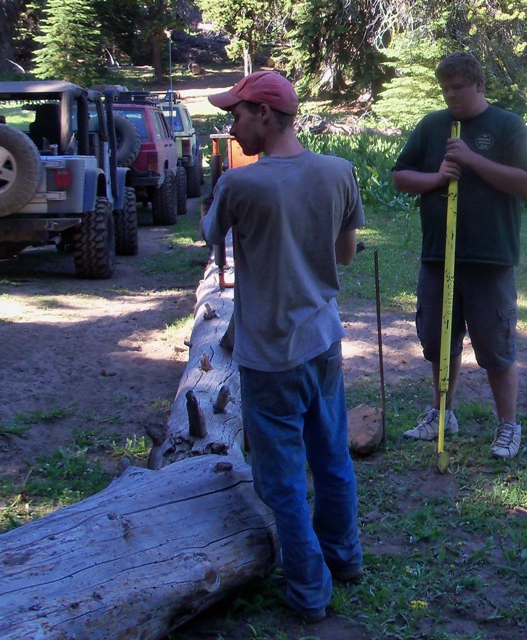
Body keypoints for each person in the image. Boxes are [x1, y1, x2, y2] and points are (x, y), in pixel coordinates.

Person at [201, 70, 364, 622]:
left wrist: (225, 179)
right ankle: (344, 559)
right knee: (332, 456)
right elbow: (345, 255)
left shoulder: (240, 184)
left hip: (269, 355)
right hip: (324, 343)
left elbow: (208, 234)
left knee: (282, 480)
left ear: (264, 115)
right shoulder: (340, 172)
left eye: (237, 114)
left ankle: (309, 591)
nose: (231, 125)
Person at [392, 52, 527, 459]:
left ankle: (508, 426)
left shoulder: (507, 125)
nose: (451, 95)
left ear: (479, 85)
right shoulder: (432, 126)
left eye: (458, 87)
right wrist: (438, 177)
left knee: (495, 345)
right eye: (445, 88)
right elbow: (400, 176)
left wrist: (471, 159)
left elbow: (526, 183)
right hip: (439, 256)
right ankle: (441, 414)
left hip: (489, 256)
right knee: (439, 342)